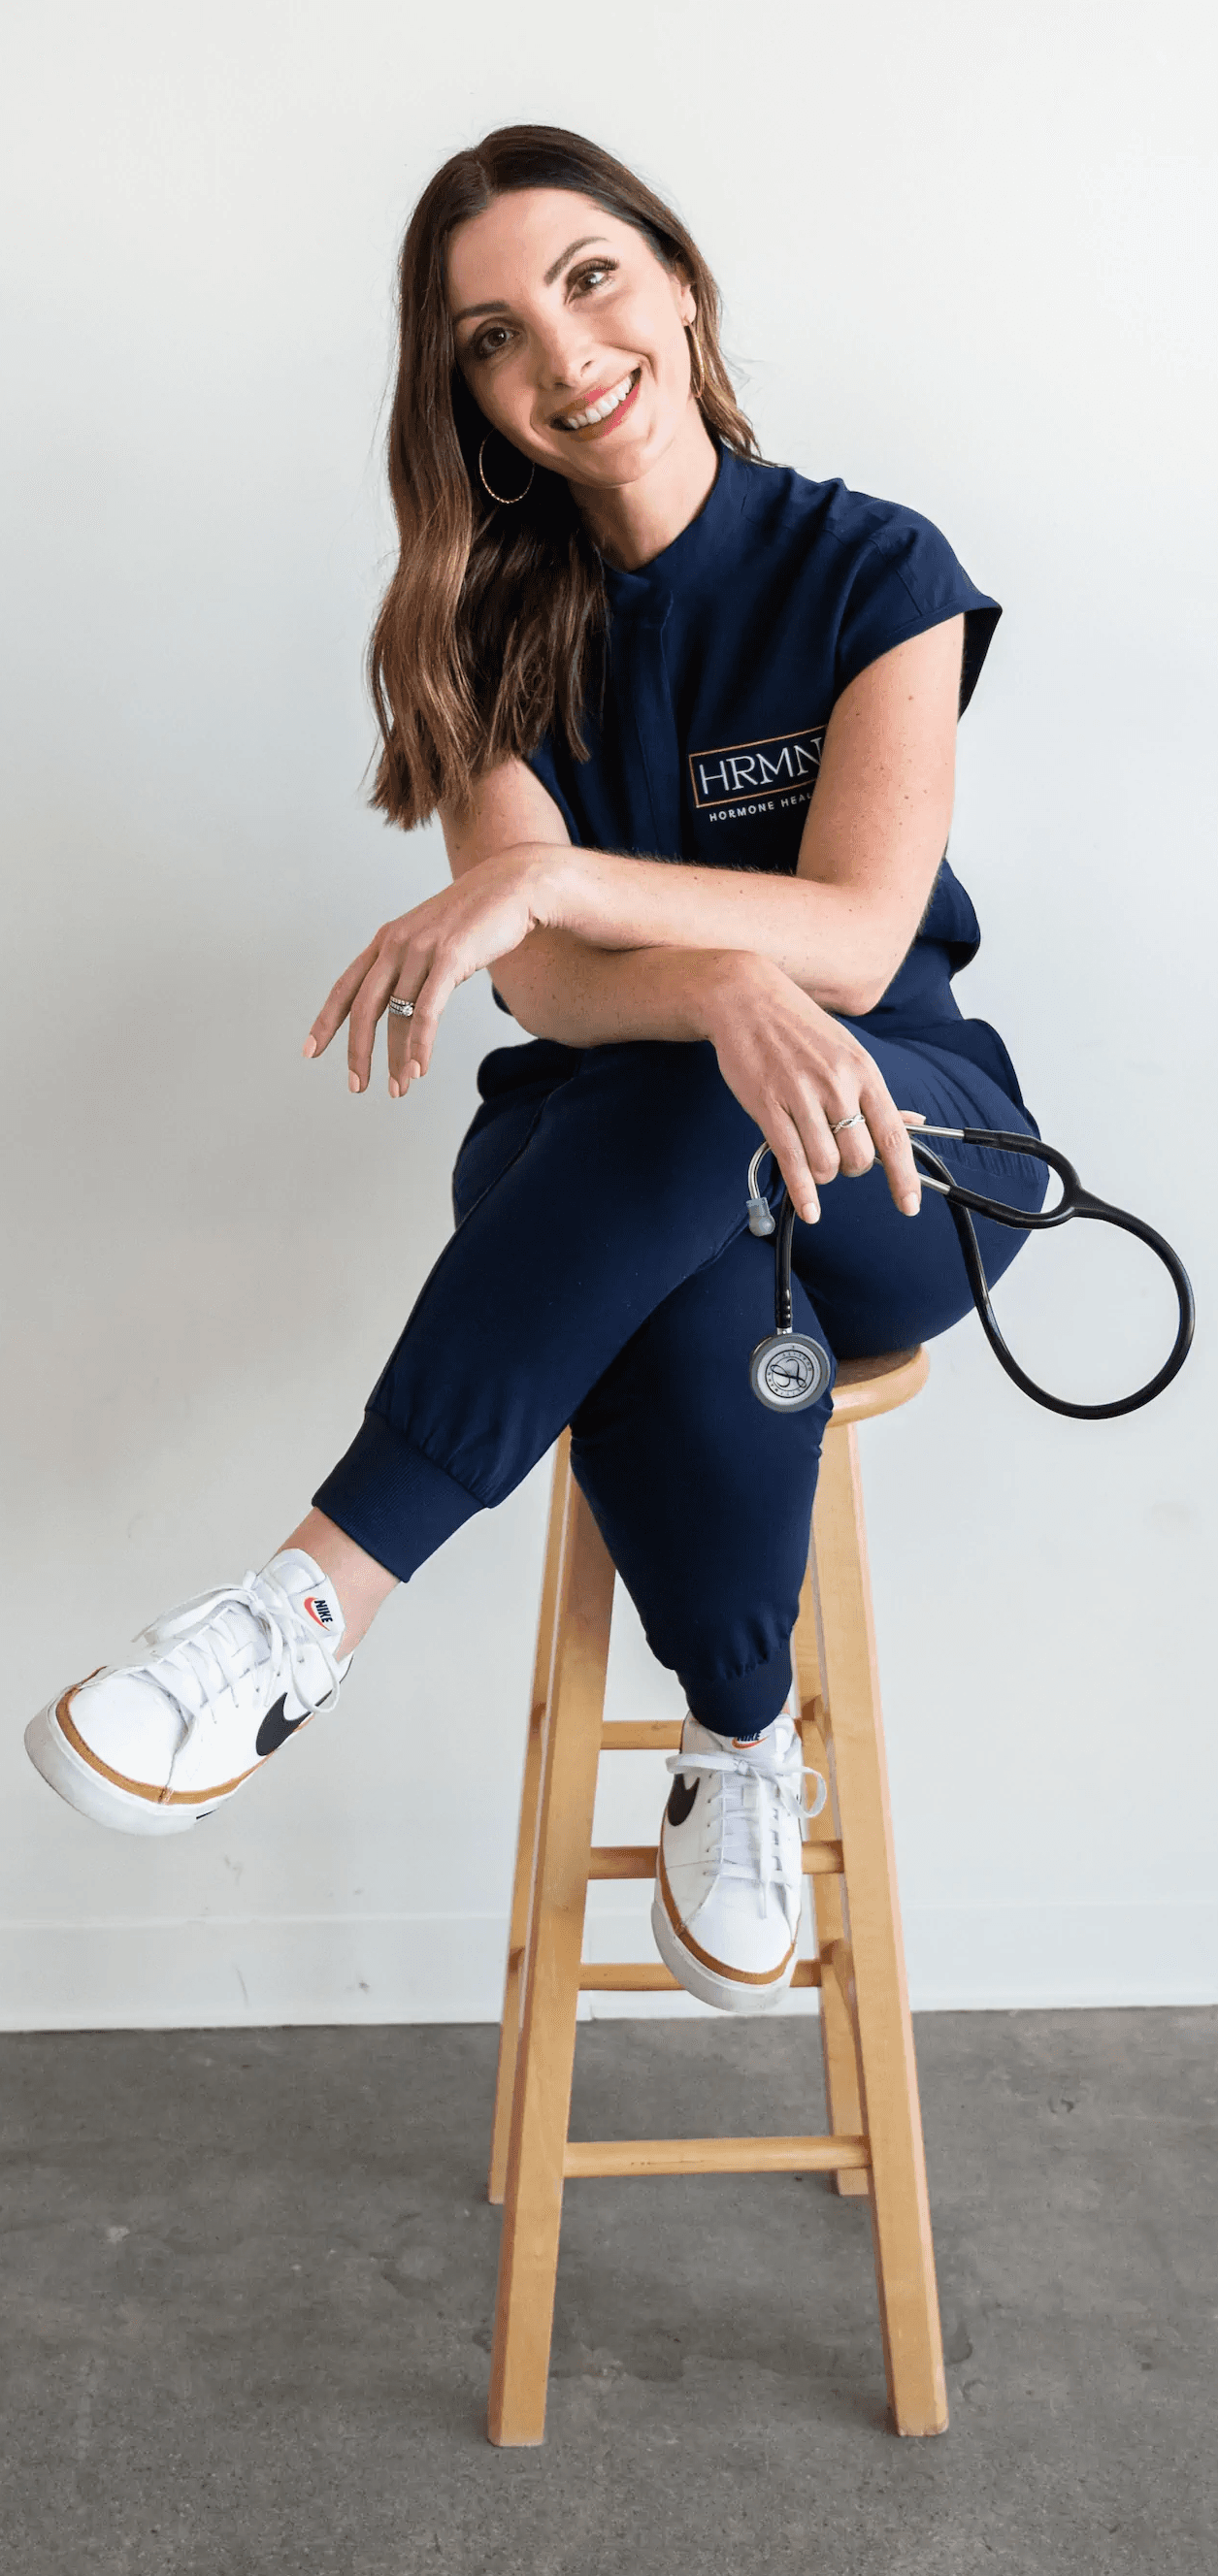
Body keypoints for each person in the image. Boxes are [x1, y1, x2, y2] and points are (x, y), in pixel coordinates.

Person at [24, 125, 1047, 2014]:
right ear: (476, 401)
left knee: (713, 1117)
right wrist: (705, 992)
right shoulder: (478, 637)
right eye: (494, 335)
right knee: (687, 1234)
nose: (562, 350)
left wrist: (605, 896)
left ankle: (309, 1602)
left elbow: (854, 929)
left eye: (589, 279)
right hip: (627, 1143)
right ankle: (743, 1747)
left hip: (909, 1140)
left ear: (677, 282)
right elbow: (553, 992)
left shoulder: (875, 568)